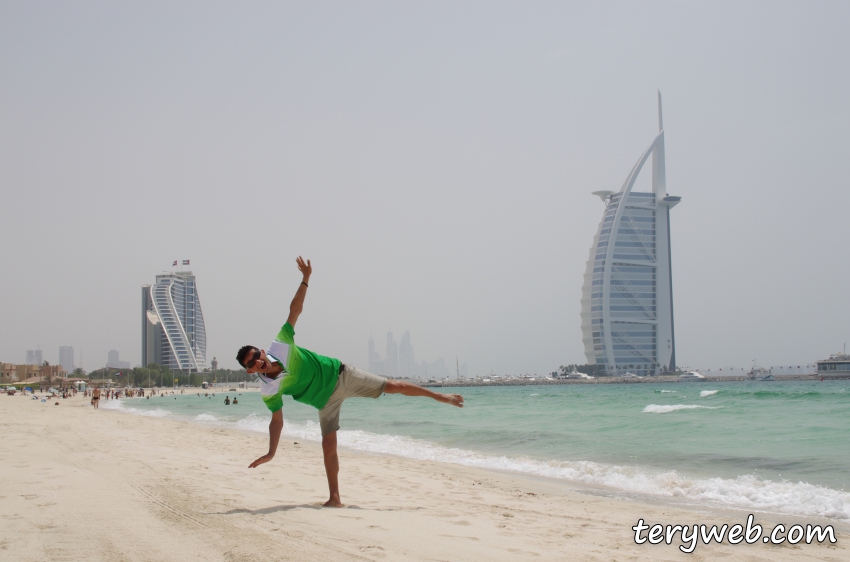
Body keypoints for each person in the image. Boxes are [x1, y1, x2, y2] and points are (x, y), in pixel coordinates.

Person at [238, 256, 464, 507]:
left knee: (394, 386)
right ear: (249, 371)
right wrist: (271, 452)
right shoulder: (268, 388)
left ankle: (439, 396)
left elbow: (295, 310)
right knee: (328, 446)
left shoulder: (280, 345)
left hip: (341, 375)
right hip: (325, 402)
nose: (258, 362)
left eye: (256, 356)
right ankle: (334, 498)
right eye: (251, 364)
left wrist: (306, 278)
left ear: (261, 350)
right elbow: (277, 421)